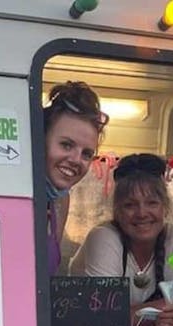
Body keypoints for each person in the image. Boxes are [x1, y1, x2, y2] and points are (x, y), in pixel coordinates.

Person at [70, 153, 173, 326]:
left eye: (152, 203)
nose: (142, 213)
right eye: (130, 205)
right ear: (117, 211)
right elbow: (104, 322)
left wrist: (172, 322)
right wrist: (170, 308)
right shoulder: (103, 238)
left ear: (165, 207)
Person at [44, 81, 108, 273]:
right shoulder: (18, 195)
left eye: (86, 154)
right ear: (41, 139)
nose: (76, 160)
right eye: (66, 145)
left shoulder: (60, 198)